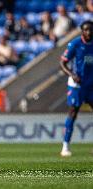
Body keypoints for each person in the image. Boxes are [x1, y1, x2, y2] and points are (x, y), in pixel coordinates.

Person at [59, 20, 93, 157]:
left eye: (91, 30)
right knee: (73, 112)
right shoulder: (75, 44)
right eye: (86, 30)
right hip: (77, 85)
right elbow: (62, 63)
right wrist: (72, 74)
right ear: (82, 31)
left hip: (91, 85)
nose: (89, 32)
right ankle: (65, 146)